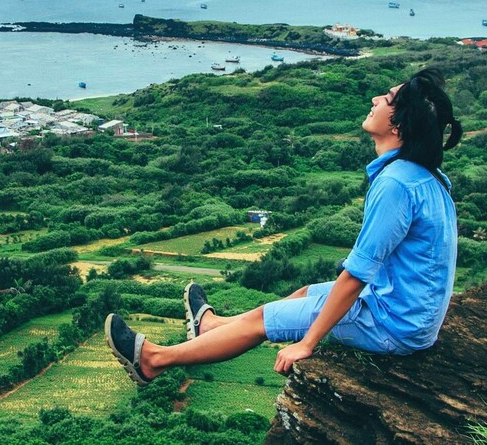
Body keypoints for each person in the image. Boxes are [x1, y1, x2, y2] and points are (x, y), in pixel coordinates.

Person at [105, 68, 463, 385]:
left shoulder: (396, 185)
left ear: (398, 125)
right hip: (407, 313)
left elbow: (357, 275)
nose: (374, 99)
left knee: (264, 319)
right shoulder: (426, 177)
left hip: (392, 325)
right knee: (306, 292)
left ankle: (153, 361)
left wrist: (306, 344)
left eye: (386, 99)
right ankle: (212, 327)